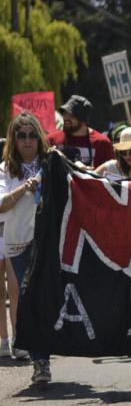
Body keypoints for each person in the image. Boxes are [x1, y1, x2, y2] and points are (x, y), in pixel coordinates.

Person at [0, 112, 51, 384]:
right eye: (22, 135)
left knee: (47, 299)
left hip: (50, 242)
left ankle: (49, 350)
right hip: (19, 245)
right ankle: (40, 362)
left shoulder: (51, 164)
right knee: (29, 302)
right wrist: (24, 189)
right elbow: (1, 204)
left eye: (33, 135)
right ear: (14, 139)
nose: (28, 141)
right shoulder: (5, 170)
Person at [47, 94, 113, 168]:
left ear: (83, 119)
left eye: (71, 115)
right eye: (65, 113)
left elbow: (112, 174)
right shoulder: (51, 140)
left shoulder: (102, 143)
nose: (66, 118)